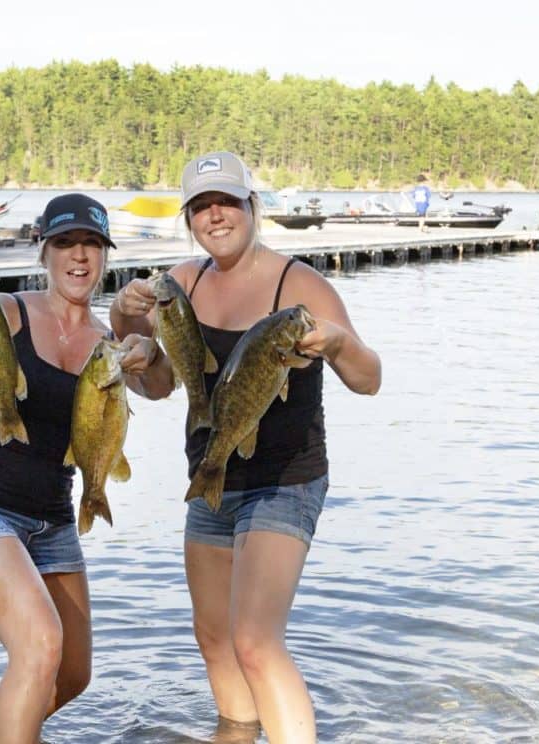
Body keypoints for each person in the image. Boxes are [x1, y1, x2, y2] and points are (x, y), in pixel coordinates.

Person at [109, 152, 381, 744]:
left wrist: (335, 343)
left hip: (286, 480)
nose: (216, 215)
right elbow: (155, 386)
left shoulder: (300, 284)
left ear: (252, 207)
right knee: (212, 635)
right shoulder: (179, 285)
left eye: (227, 202)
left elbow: (369, 379)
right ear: (189, 219)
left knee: (255, 640)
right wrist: (124, 321)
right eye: (202, 206)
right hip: (211, 475)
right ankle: (235, 734)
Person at [0, 193, 174, 744]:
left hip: (53, 519)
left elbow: (160, 386)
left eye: (92, 245)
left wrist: (153, 353)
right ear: (43, 252)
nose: (79, 257)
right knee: (39, 645)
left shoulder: (110, 346)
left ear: (105, 257)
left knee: (73, 674)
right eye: (65, 244)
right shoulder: (3, 312)